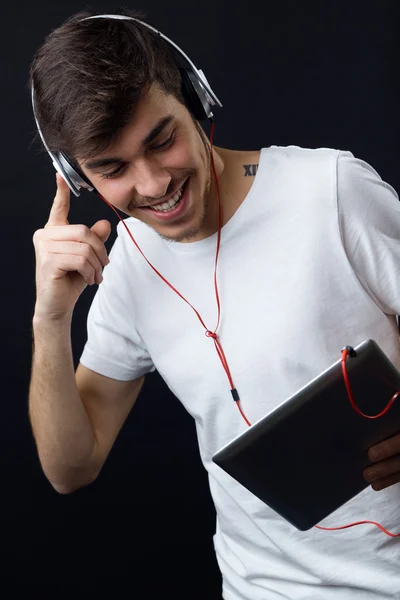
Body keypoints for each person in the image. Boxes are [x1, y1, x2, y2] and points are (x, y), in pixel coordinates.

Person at [28, 8, 400, 600]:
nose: (152, 185)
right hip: (259, 589)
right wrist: (49, 320)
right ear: (76, 177)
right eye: (112, 168)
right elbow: (71, 468)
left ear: (197, 99)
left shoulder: (331, 190)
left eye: (162, 140)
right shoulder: (126, 267)